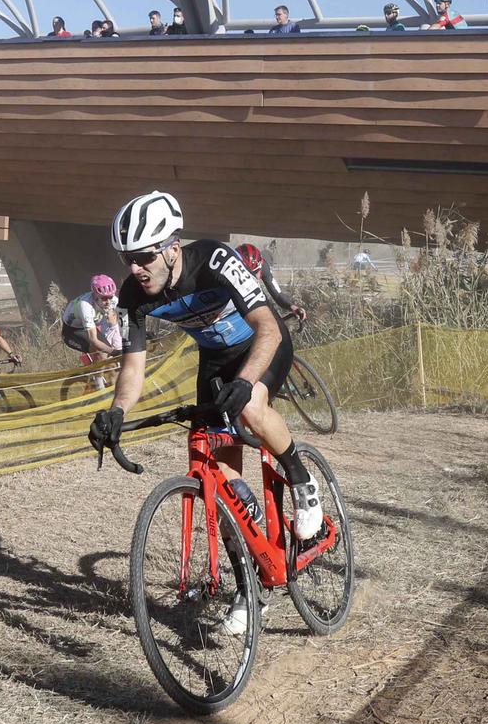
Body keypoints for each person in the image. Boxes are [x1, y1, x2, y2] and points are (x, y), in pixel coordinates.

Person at [89, 192, 325, 634]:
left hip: (260, 347)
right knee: (215, 476)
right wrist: (117, 411)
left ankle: (302, 481)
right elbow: (133, 367)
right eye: (128, 259)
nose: (135, 268)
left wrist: (245, 381)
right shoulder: (133, 296)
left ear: (172, 248)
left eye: (142, 257)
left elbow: (269, 328)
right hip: (215, 362)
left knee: (252, 407)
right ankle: (250, 581)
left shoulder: (216, 260)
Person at [62, 274, 127, 386]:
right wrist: (114, 352)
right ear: (95, 296)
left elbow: (125, 324)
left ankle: (113, 385)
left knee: (111, 360)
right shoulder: (85, 306)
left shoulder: (114, 300)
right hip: (73, 331)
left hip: (91, 325)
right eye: (104, 298)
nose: (108, 301)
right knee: (102, 354)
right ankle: (99, 387)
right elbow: (93, 340)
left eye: (110, 297)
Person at [235, 243, 307, 322]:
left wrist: (293, 307)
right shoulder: (228, 270)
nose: (252, 278)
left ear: (260, 266)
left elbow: (277, 294)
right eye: (248, 274)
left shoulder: (263, 267)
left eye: (255, 272)